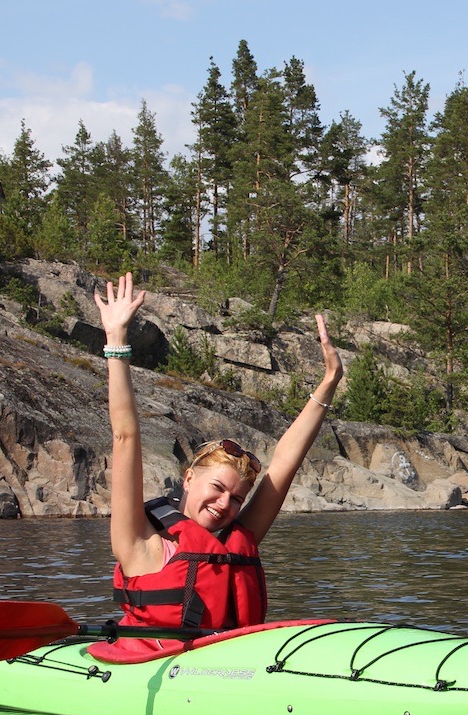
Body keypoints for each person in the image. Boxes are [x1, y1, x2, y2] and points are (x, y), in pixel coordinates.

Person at [93, 272, 342, 641]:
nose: (226, 504)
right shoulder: (140, 544)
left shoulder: (236, 540)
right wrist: (116, 341)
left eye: (237, 498)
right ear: (189, 477)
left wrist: (330, 380)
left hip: (231, 668)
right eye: (219, 487)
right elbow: (125, 436)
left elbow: (287, 460)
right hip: (152, 662)